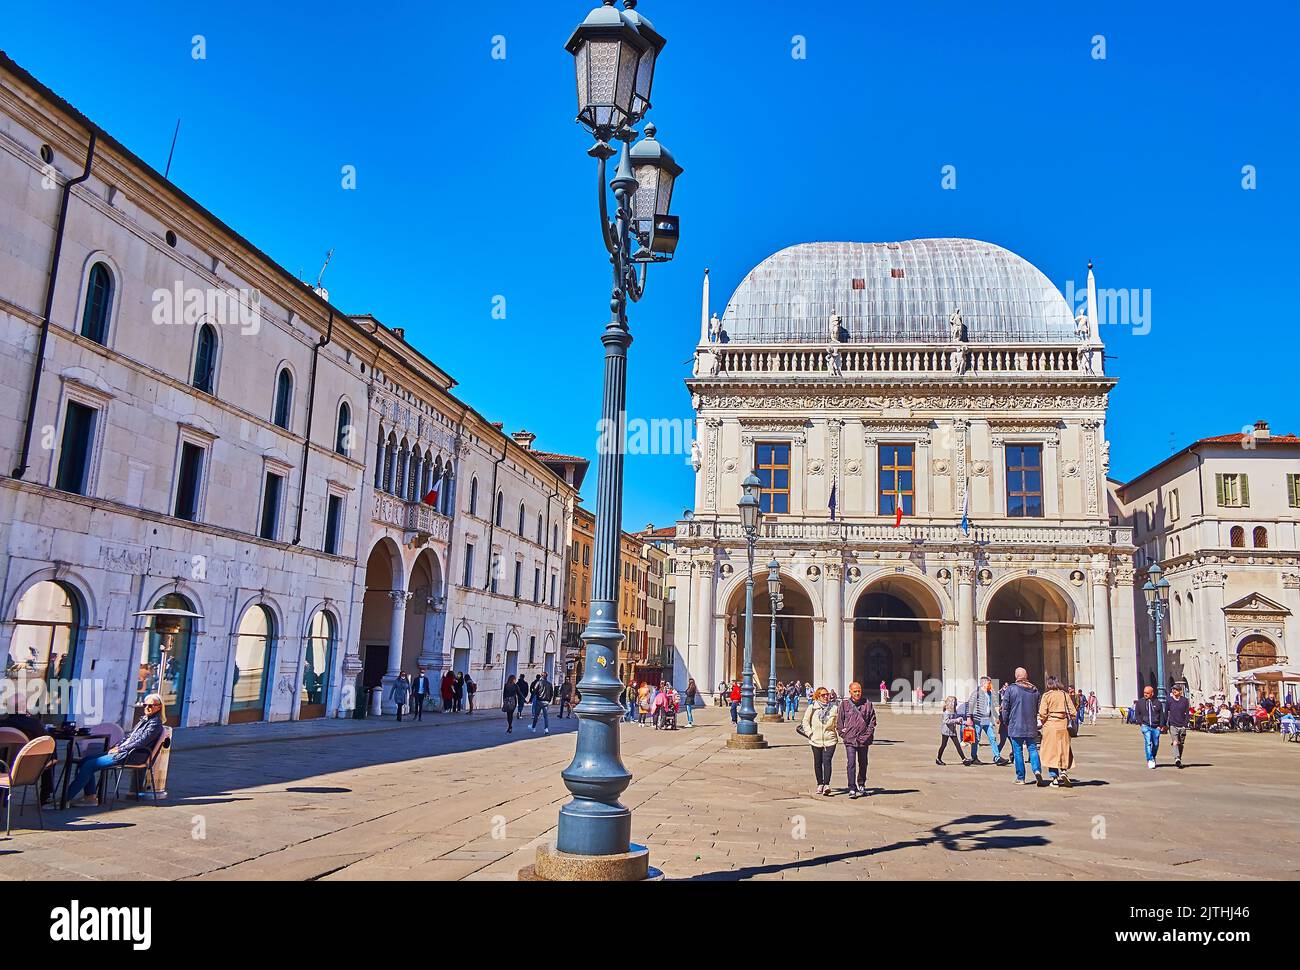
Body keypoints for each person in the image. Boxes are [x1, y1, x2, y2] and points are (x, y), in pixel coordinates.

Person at [63, 694, 166, 809]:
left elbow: (140, 743)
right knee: (85, 761)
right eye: (145, 705)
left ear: (159, 707)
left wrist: (120, 749)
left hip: (132, 755)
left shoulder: (155, 724)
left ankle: (65, 798)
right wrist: (117, 746)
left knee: (89, 765)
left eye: (150, 706)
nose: (147, 708)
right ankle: (90, 797)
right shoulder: (144, 720)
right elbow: (129, 737)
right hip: (124, 751)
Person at [1001, 667, 1043, 786]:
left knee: (1018, 751)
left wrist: (1005, 721)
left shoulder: (1011, 689)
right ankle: (1037, 770)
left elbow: (1005, 708)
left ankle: (1021, 777)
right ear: (1026, 676)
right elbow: (1038, 707)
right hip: (1031, 724)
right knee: (1033, 748)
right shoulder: (1034, 690)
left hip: (1015, 724)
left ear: (1016, 676)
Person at [838, 682, 877, 798]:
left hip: (863, 740)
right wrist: (842, 733)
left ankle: (861, 784)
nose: (857, 693)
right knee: (851, 763)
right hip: (850, 739)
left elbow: (872, 722)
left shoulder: (868, 704)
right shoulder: (844, 704)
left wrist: (867, 735)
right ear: (850, 692)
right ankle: (852, 787)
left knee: (863, 763)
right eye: (855, 691)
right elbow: (839, 721)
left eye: (859, 691)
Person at [800, 686, 840, 796]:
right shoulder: (812, 707)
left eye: (827, 694)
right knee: (818, 762)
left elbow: (837, 723)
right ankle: (820, 784)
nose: (826, 696)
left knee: (827, 761)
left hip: (830, 739)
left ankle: (826, 784)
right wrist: (810, 734)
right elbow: (805, 722)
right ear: (818, 696)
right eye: (823, 695)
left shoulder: (834, 708)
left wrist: (840, 730)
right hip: (815, 739)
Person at [1038, 676, 1077, 787]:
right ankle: (1063, 771)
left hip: (1050, 725)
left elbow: (1042, 713)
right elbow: (1073, 712)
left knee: (1051, 752)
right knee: (1063, 749)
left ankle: (1054, 777)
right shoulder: (1065, 695)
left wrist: (1043, 720)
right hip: (1063, 725)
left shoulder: (1046, 696)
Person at [965, 676, 1008, 766]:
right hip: (978, 719)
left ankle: (997, 757)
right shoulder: (976, 693)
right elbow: (970, 705)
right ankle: (974, 757)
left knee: (992, 737)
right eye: (989, 683)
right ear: (984, 683)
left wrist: (996, 717)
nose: (991, 685)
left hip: (987, 719)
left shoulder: (990, 693)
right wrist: (969, 718)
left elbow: (991, 706)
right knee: (976, 739)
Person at [1134, 685, 1166, 768]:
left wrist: (1161, 725)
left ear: (1152, 693)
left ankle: (1153, 756)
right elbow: (1137, 714)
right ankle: (1150, 759)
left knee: (1155, 744)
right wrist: (1140, 722)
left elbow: (1161, 715)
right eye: (1144, 693)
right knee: (1148, 742)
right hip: (1145, 725)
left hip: (1156, 726)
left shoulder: (1157, 702)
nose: (1145, 694)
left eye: (1147, 693)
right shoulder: (1140, 702)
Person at [936, 695, 969, 766]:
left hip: (952, 731)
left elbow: (956, 721)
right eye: (955, 702)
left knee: (957, 745)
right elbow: (946, 721)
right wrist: (956, 720)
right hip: (946, 731)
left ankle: (964, 759)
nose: (956, 704)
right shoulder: (947, 712)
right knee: (943, 745)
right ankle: (938, 759)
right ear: (951, 703)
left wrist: (963, 722)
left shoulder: (954, 711)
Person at [1167, 684, 1191, 768]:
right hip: (1173, 724)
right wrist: (1165, 723)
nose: (1174, 691)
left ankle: (1179, 758)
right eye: (1173, 689)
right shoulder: (1169, 700)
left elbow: (1187, 713)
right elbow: (1166, 711)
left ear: (1180, 692)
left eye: (1176, 690)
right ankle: (1177, 759)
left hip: (1182, 725)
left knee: (1180, 743)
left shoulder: (1185, 700)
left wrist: (1185, 724)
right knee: (1175, 742)